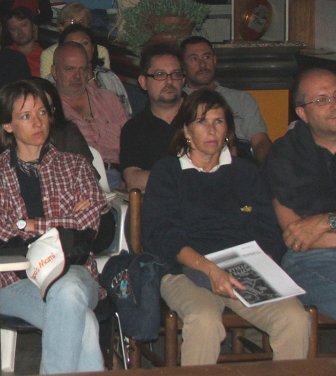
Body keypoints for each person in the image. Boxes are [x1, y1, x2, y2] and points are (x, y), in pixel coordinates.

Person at [142, 89, 310, 366]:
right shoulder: (168, 172)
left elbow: (268, 228)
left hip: (241, 269)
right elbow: (162, 235)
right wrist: (210, 269)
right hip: (187, 268)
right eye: (202, 122)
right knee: (205, 320)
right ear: (186, 130)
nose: (211, 130)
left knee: (294, 318)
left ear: (228, 130)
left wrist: (262, 262)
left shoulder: (245, 172)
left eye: (218, 122)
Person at [0, 79, 107, 374]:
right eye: (26, 116)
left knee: (67, 290)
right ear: (8, 125)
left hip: (75, 272)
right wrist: (63, 225)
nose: (38, 122)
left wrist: (26, 225)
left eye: (42, 113)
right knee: (84, 322)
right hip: (13, 281)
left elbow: (89, 225)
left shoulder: (76, 166)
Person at [265, 67, 336, 319]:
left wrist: (325, 221)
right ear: (302, 113)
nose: (334, 105)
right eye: (322, 100)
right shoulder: (285, 155)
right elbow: (297, 236)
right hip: (313, 259)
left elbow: (313, 230)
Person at [180, 36, 271, 164]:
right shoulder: (179, 100)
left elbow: (260, 141)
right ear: (183, 66)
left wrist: (270, 165)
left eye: (207, 57)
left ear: (215, 60)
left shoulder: (241, 99)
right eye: (194, 59)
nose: (202, 64)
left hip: (241, 159)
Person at [53, 42, 127, 191]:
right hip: (74, 182)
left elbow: (130, 143)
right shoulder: (47, 109)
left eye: (83, 69)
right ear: (54, 72)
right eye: (69, 69)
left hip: (118, 178)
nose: (77, 76)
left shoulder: (109, 100)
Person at [120, 44, 184, 191]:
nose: (169, 81)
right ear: (143, 82)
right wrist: (185, 177)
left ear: (183, 80)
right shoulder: (134, 128)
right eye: (160, 75)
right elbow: (133, 180)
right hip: (158, 201)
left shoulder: (203, 117)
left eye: (176, 74)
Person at [59, 24, 131, 117]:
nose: (80, 49)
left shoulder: (108, 77)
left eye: (85, 43)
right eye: (72, 44)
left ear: (93, 48)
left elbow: (126, 114)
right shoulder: (55, 79)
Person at [40, 2, 110, 78]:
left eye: (81, 22)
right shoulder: (49, 54)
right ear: (61, 27)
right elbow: (47, 83)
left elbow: (106, 80)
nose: (77, 25)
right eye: (72, 21)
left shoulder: (101, 51)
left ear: (89, 26)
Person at [6, 6, 43, 77]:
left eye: (23, 25)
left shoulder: (46, 55)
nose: (20, 32)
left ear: (33, 26)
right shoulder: (5, 55)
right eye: (13, 29)